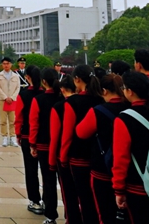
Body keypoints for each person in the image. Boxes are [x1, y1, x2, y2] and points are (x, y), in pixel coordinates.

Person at [113, 71, 149, 224]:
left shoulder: (124, 118)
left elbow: (121, 158)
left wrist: (119, 189)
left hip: (138, 185)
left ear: (130, 91)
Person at [76, 73, 128, 224]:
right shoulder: (130, 108)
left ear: (104, 91)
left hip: (103, 167)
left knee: (104, 213)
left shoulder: (98, 111)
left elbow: (81, 132)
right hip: (128, 171)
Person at [60, 65, 104, 224]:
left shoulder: (72, 102)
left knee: (82, 197)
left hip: (78, 156)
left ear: (77, 79)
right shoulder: (101, 99)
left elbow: (67, 133)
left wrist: (63, 157)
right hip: (98, 156)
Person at [29, 67, 62, 224]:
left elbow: (34, 124)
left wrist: (32, 144)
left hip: (44, 144)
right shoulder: (62, 98)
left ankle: (51, 215)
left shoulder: (39, 100)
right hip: (61, 145)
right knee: (65, 183)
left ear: (43, 82)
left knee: (48, 181)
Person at [49, 75, 80, 224]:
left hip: (65, 155)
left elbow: (56, 136)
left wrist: (53, 160)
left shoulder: (59, 106)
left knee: (68, 192)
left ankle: (71, 219)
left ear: (62, 89)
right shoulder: (91, 101)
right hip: (85, 154)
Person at [14, 65, 44, 216]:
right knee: (47, 172)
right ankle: (48, 200)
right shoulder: (46, 93)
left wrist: (18, 134)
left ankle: (35, 201)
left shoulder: (24, 94)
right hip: (45, 138)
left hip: (27, 135)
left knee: (31, 169)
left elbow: (18, 116)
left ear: (27, 77)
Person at [0, 56, 21, 147]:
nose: (6, 65)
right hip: (2, 100)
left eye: (7, 63)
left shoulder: (16, 76)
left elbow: (18, 88)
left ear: (11, 64)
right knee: (3, 120)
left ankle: (13, 137)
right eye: (4, 64)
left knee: (13, 120)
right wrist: (5, 97)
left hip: (13, 101)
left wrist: (12, 97)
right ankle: (4, 137)